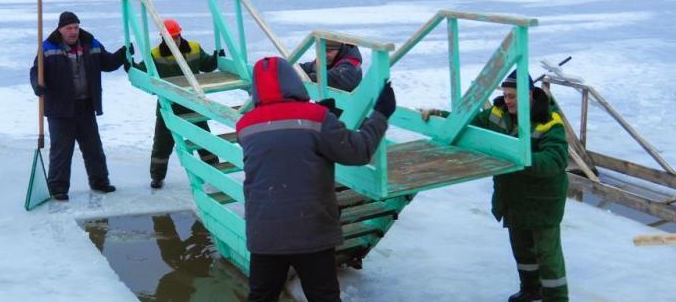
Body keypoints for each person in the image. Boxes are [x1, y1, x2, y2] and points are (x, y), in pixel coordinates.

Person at [236, 56, 395, 302]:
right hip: (311, 232)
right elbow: (359, 151)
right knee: (324, 297)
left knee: (261, 297)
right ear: (292, 80)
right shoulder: (317, 118)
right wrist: (381, 114)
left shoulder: (245, 125)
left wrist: (320, 116)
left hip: (265, 233)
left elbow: (281, 139)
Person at [421, 70, 569, 302]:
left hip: (542, 201)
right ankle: (531, 290)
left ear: (529, 95)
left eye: (512, 96)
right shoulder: (497, 113)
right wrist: (440, 115)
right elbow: (467, 125)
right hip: (513, 196)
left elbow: (556, 161)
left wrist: (519, 156)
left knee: (547, 256)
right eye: (505, 95)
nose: (507, 100)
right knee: (522, 249)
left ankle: (557, 298)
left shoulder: (550, 122)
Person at [30, 11, 128, 201]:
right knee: (61, 151)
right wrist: (38, 86)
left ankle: (100, 182)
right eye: (69, 28)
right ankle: (57, 188)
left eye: (76, 27)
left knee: (93, 149)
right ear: (61, 29)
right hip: (60, 110)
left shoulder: (91, 43)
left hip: (85, 107)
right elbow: (35, 72)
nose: (73, 32)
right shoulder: (47, 48)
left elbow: (107, 63)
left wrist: (122, 55)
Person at [132, 18, 221, 189]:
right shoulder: (155, 54)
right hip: (168, 105)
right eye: (169, 38)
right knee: (162, 143)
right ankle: (157, 177)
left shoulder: (194, 48)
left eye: (176, 37)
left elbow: (207, 65)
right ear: (163, 37)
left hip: (192, 103)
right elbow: (143, 71)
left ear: (180, 34)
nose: (174, 40)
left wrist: (216, 57)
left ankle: (214, 170)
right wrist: (130, 65)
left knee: (204, 139)